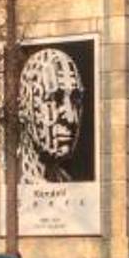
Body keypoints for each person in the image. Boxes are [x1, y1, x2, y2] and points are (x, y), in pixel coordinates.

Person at [19, 47, 85, 183]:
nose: (71, 118)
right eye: (55, 98)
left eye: (76, 99)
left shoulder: (66, 182)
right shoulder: (16, 179)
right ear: (23, 107)